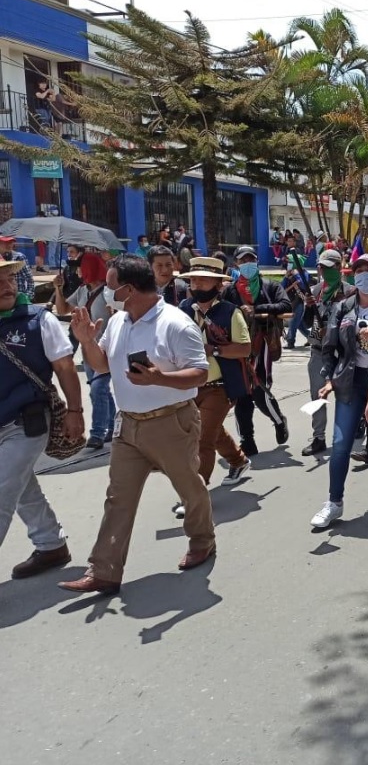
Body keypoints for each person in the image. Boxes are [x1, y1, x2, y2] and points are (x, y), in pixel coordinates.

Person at [59, 255, 216, 595]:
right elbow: (102, 365)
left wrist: (161, 378)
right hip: (128, 425)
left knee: (189, 488)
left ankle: (202, 540)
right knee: (118, 497)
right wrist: (86, 341)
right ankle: (104, 570)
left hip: (171, 423)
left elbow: (200, 374)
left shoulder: (175, 323)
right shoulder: (118, 321)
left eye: (110, 286)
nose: (106, 292)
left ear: (129, 289)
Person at [0, 256, 83, 579]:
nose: (7, 286)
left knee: (2, 491)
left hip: (27, 422)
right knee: (21, 487)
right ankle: (51, 545)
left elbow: (65, 368)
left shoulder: (38, 320)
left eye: (9, 279)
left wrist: (75, 411)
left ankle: (50, 544)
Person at [311, 253, 368, 528]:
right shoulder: (343, 307)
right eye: (358, 270)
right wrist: (330, 378)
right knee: (341, 444)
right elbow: (329, 346)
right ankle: (334, 502)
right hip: (351, 382)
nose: (364, 275)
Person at [176, 257, 253, 516]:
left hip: (220, 386)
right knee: (212, 430)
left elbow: (244, 348)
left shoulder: (231, 312)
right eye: (193, 279)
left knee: (202, 439)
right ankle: (238, 460)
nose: (197, 284)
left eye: (204, 279)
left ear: (218, 284)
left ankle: (194, 495)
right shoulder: (182, 309)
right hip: (189, 384)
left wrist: (215, 350)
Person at [222, 246, 291, 455]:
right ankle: (247, 440)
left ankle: (279, 421)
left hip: (263, 344)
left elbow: (285, 305)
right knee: (242, 395)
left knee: (261, 391)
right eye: (243, 261)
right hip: (238, 347)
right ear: (236, 264)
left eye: (251, 260)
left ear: (257, 261)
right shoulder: (230, 290)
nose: (247, 264)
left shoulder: (270, 286)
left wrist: (257, 309)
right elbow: (220, 312)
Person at [53, 251, 116, 449]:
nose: (77, 272)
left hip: (107, 350)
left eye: (80, 267)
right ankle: (113, 426)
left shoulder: (109, 292)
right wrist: (58, 288)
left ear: (89, 268)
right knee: (100, 391)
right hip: (88, 351)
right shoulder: (82, 291)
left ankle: (97, 433)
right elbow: (62, 309)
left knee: (98, 389)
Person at [301, 249, 352, 456]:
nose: (326, 271)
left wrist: (333, 330)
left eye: (331, 267)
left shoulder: (350, 292)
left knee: (346, 396)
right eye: (322, 267)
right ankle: (318, 437)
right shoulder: (314, 291)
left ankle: (347, 433)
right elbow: (306, 322)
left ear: (339, 267)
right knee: (317, 395)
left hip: (342, 352)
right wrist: (308, 307)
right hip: (319, 351)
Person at [282, 250, 312, 349]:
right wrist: (286, 277)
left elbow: (304, 285)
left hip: (299, 301)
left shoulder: (304, 273)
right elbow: (282, 288)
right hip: (290, 301)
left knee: (293, 322)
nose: (288, 264)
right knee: (299, 324)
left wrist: (296, 274)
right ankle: (311, 337)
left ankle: (290, 341)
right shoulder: (289, 274)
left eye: (290, 262)